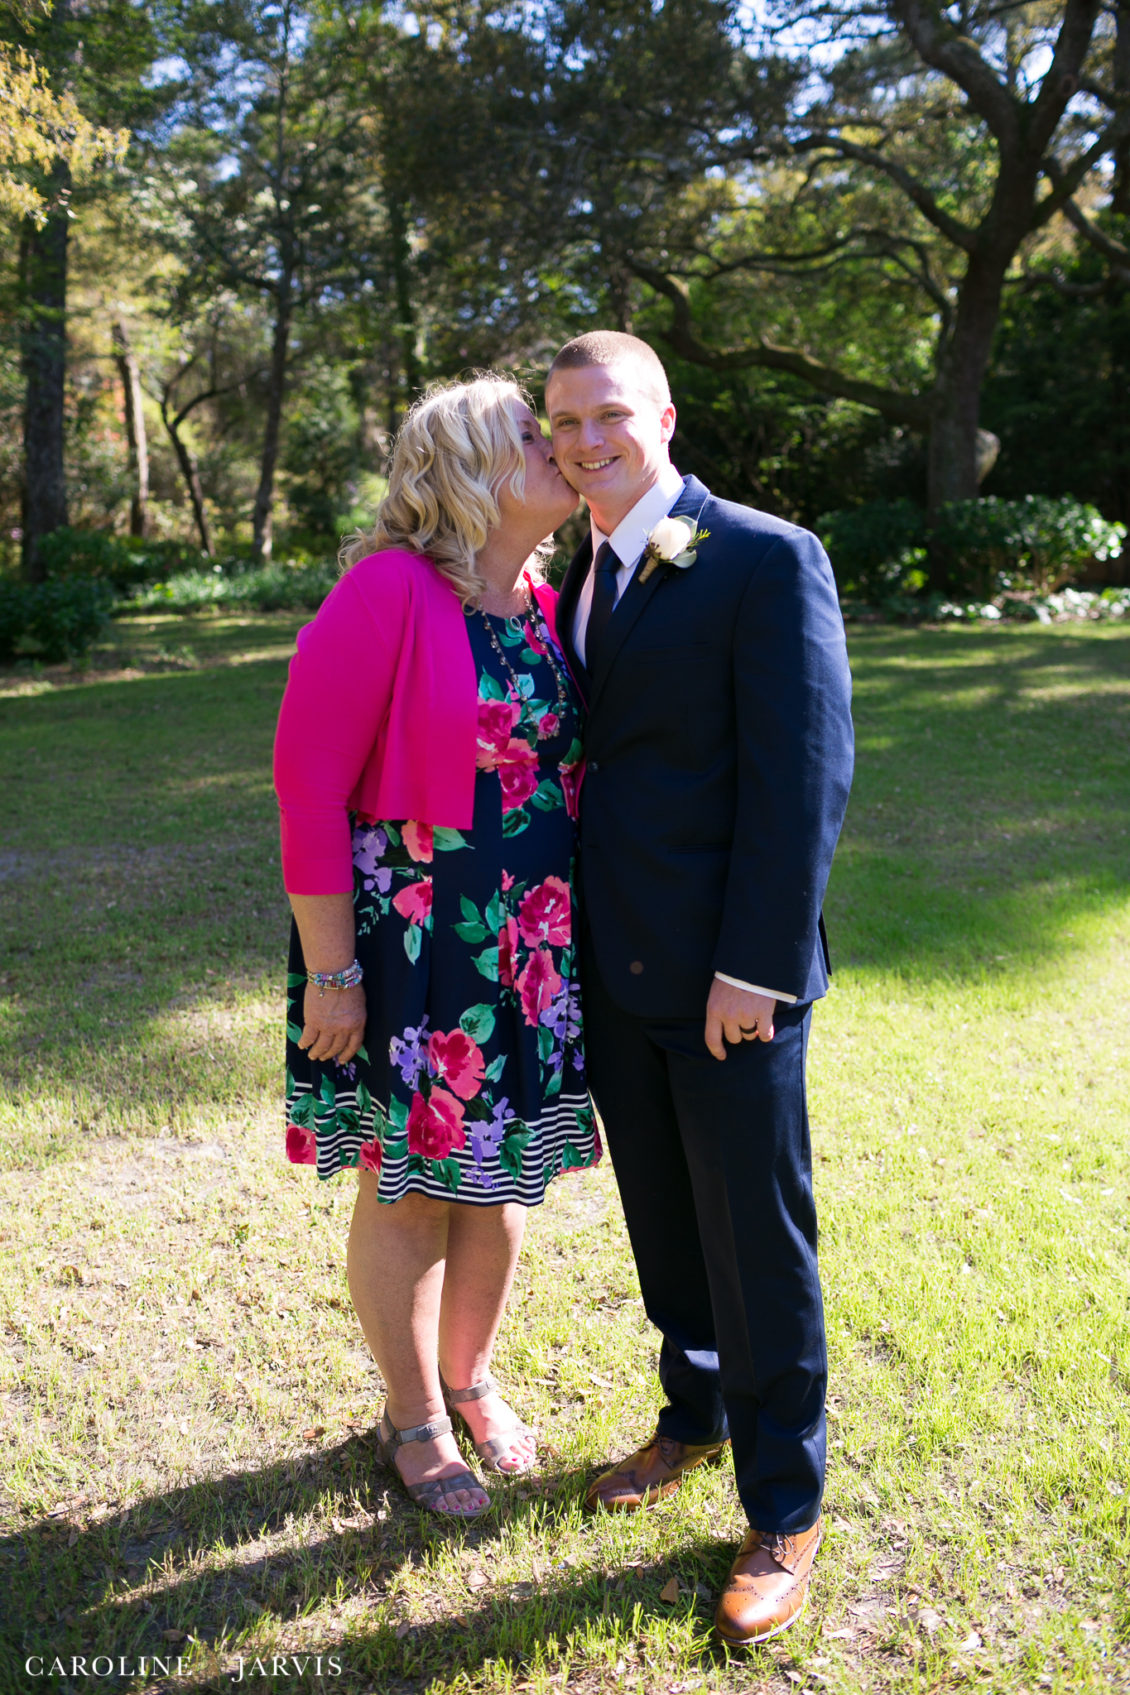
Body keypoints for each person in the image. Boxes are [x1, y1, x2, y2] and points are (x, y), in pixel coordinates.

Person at [545, 332, 853, 1643]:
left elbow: (803, 776)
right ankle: (690, 1413)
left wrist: (755, 968)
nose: (583, 439)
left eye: (607, 413)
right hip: (612, 970)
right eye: (562, 421)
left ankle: (782, 1500)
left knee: (756, 1239)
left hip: (727, 978)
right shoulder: (579, 566)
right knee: (665, 1223)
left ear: (661, 415)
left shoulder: (764, 555)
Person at [273, 375, 599, 1521]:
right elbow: (306, 789)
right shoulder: (388, 592)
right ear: (463, 465)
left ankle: (470, 1381)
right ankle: (410, 1420)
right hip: (410, 948)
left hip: (528, 947)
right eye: (532, 431)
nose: (560, 445)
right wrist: (332, 973)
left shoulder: (548, 596)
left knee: (499, 1181)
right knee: (410, 1191)